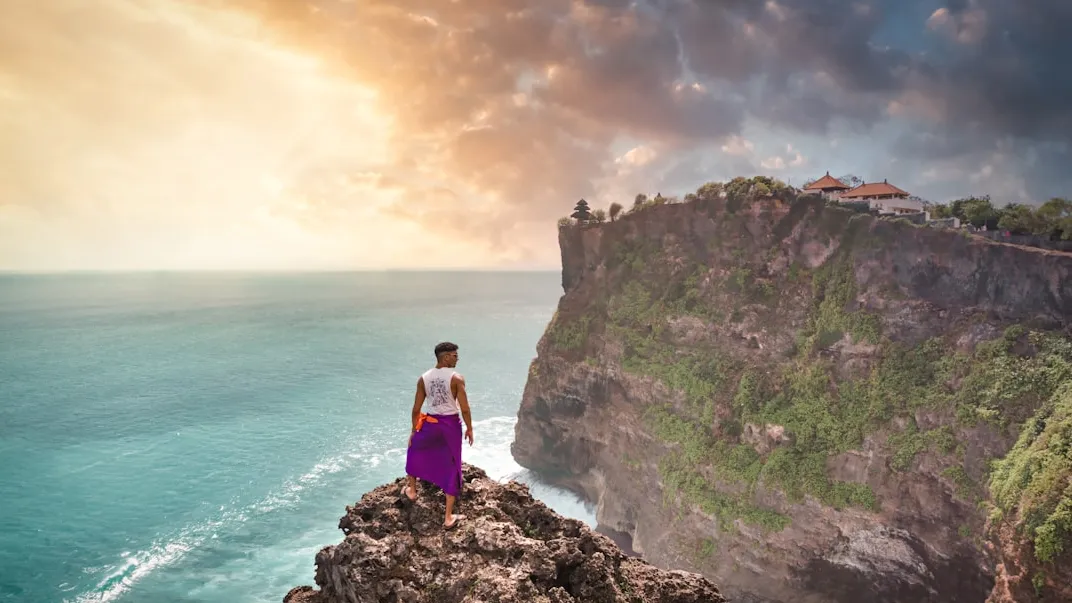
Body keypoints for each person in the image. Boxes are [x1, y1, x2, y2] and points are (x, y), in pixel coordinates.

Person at [402, 341, 474, 528]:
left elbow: (416, 409)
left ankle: (412, 489)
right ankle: (448, 517)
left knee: (414, 449)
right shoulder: (456, 378)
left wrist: (413, 431)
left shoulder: (423, 378)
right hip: (450, 425)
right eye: (454, 355)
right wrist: (470, 428)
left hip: (430, 424)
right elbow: (464, 408)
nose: (457, 358)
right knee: (452, 464)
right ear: (445, 357)